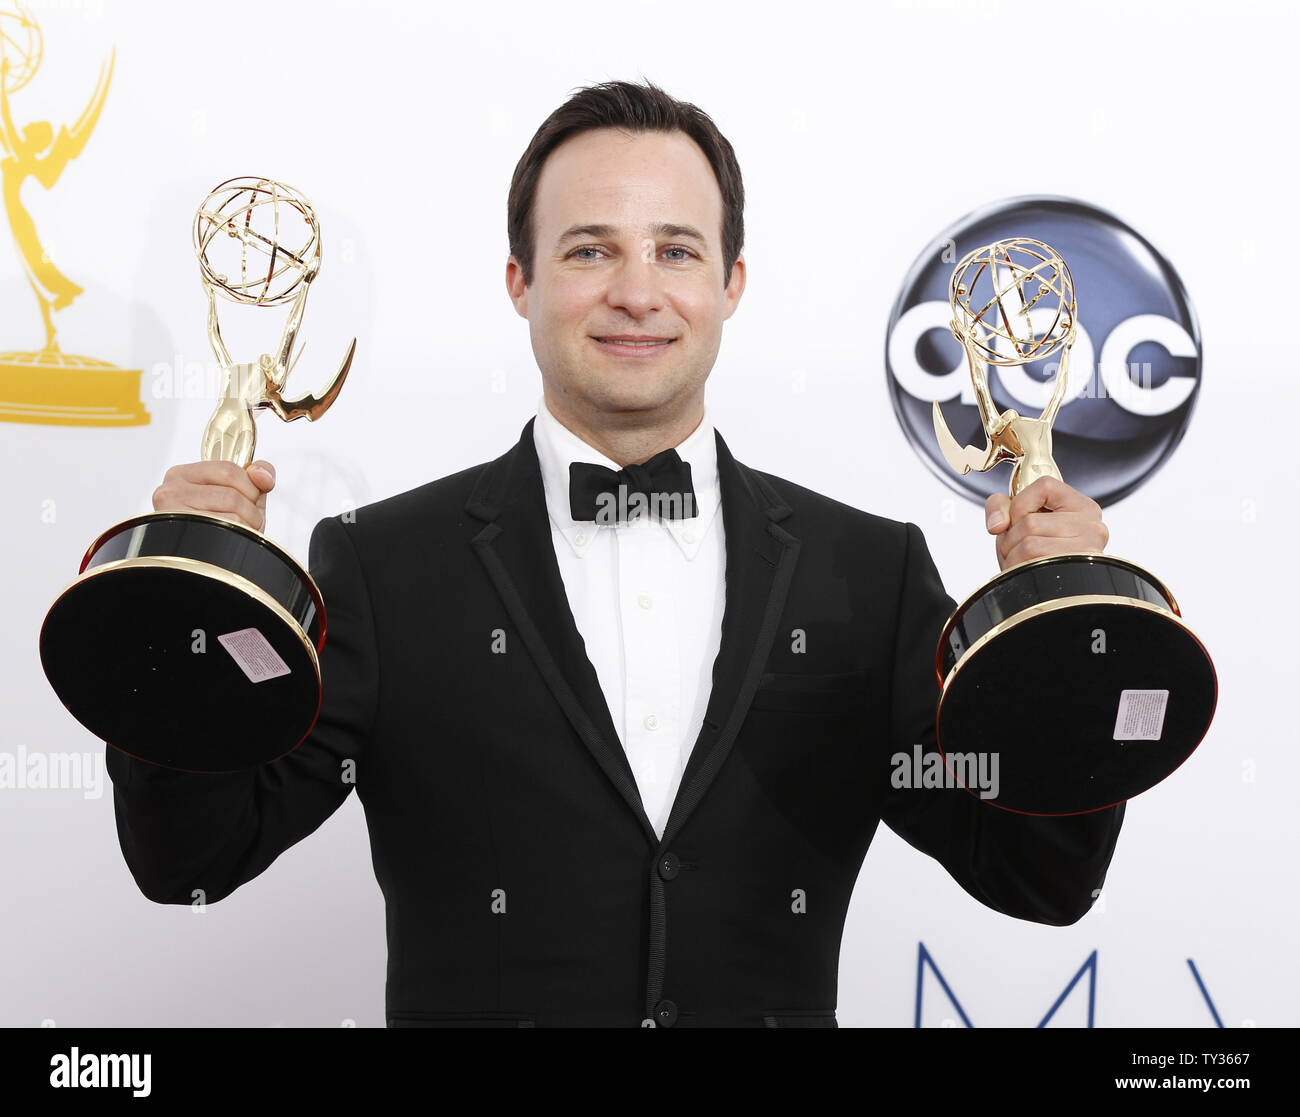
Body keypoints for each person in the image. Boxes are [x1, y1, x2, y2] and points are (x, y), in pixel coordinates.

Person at [112, 80, 1122, 1028]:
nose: (637, 293)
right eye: (590, 251)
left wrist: (1068, 633)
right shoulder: (382, 566)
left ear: (730, 283)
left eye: (676, 252)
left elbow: (1037, 874)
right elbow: (188, 855)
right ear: (521, 279)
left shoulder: (868, 573)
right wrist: (180, 611)